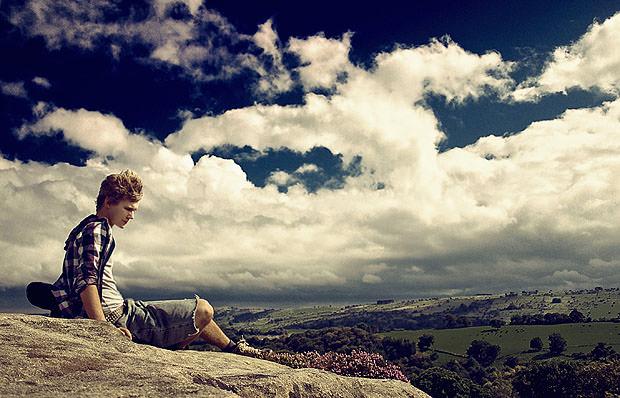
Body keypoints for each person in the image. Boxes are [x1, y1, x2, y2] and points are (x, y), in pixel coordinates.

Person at [50, 169, 261, 356]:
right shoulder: (99, 229)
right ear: (108, 202)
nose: (131, 216)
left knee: (186, 315)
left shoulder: (84, 227)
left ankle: (234, 348)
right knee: (203, 310)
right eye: (128, 209)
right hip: (118, 317)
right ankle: (179, 349)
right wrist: (103, 330)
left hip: (125, 308)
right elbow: (86, 281)